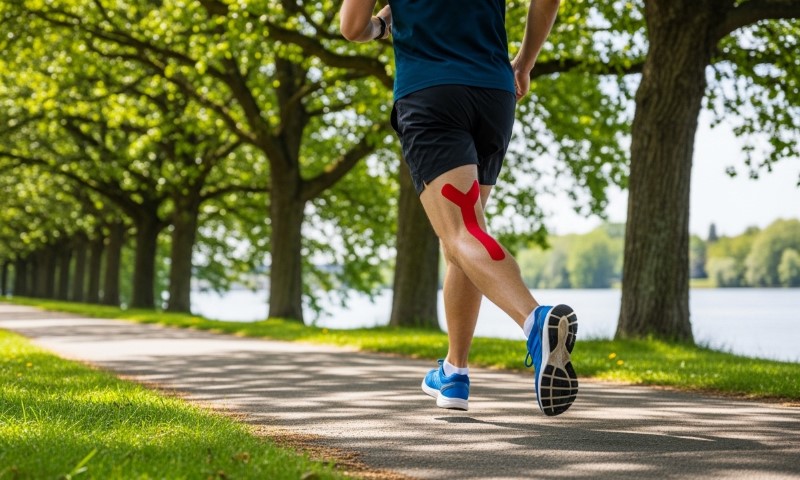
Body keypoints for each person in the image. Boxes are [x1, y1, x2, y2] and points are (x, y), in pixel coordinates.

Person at [339, 0, 578, 416]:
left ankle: (534, 320)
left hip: (431, 91)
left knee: (462, 232)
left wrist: (382, 25)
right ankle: (455, 371)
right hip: (493, 92)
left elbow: (352, 26)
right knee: (466, 235)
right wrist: (524, 62)